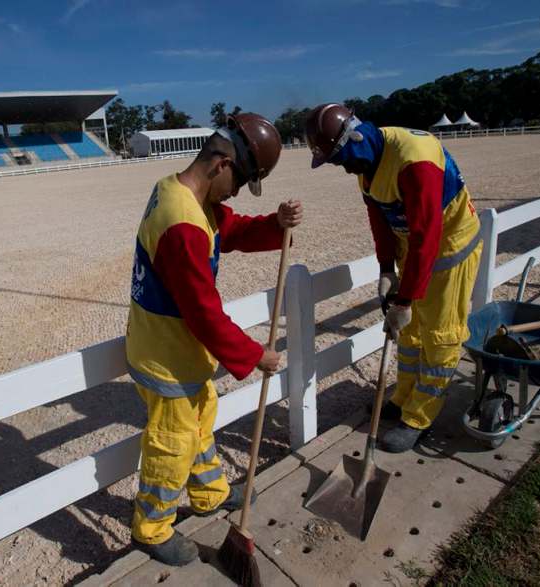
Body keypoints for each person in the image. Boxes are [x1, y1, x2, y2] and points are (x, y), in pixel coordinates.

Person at [126, 113, 303, 566]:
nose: (238, 192)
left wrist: (275, 224)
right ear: (222, 163)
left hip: (180, 351)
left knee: (201, 421)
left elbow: (233, 229)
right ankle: (152, 527)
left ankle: (209, 494)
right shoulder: (180, 221)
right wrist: (254, 355)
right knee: (172, 442)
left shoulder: (182, 191)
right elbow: (203, 314)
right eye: (241, 181)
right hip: (166, 356)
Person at [304, 103, 482, 453]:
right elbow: (379, 220)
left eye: (340, 160)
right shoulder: (366, 164)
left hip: (448, 246)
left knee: (439, 332)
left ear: (354, 139)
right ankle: (402, 398)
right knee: (410, 331)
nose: (343, 170)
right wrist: (386, 268)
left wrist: (405, 299)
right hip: (410, 246)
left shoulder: (416, 161)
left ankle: (420, 416)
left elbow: (426, 236)